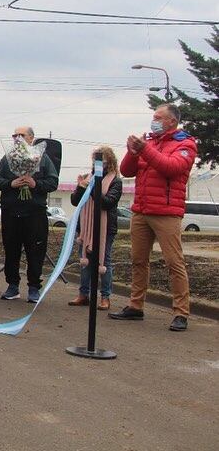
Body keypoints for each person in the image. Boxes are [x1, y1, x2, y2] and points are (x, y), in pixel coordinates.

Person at [110, 104, 197, 332]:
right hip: (141, 210)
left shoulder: (185, 144)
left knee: (174, 262)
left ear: (171, 121)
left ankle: (181, 312)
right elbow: (127, 171)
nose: (154, 121)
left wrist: (144, 149)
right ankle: (135, 306)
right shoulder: (148, 143)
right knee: (138, 260)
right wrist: (132, 150)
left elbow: (171, 167)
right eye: (153, 117)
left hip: (167, 213)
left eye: (158, 117)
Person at [0, 126, 59, 303]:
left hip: (34, 213)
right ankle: (12, 286)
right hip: (11, 212)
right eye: (15, 135)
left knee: (35, 251)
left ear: (31, 139)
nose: (17, 138)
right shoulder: (7, 159)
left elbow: (53, 182)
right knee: (11, 250)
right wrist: (11, 183)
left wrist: (34, 183)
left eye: (21, 135)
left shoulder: (42, 159)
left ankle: (34, 287)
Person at [68, 146, 122, 310]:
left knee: (104, 262)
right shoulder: (88, 178)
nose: (97, 163)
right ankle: (83, 294)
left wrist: (92, 188)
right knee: (85, 261)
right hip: (85, 227)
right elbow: (75, 201)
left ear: (109, 161)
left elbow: (107, 203)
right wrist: (81, 187)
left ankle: (105, 297)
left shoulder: (116, 181)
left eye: (102, 159)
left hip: (105, 227)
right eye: (95, 159)